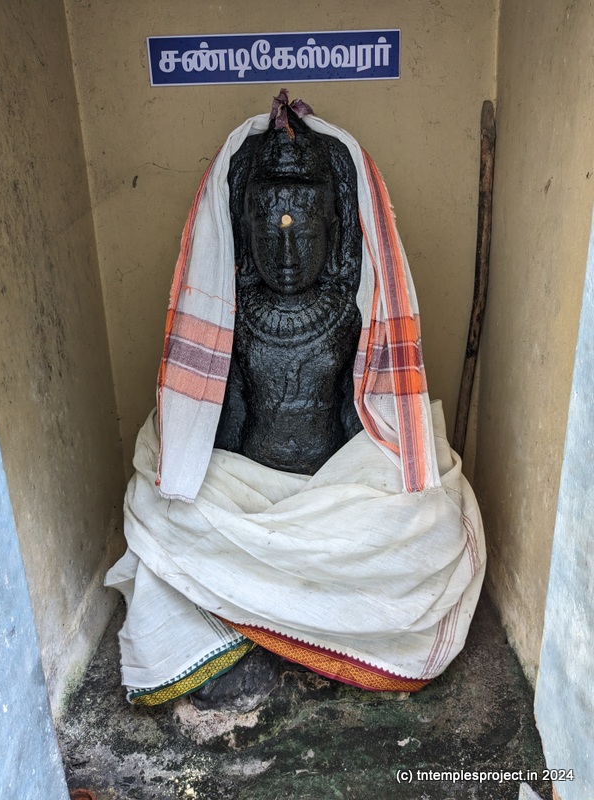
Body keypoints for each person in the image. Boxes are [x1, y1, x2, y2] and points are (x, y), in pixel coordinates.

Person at [106, 91, 486, 711]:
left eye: (303, 235)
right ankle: (253, 605)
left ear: (334, 233)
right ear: (243, 234)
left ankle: (308, 614)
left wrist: (361, 497)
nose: (285, 257)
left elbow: (361, 419)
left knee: (430, 523)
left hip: (328, 482)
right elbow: (223, 421)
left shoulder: (347, 316)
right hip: (250, 480)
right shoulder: (234, 322)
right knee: (166, 509)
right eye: (268, 236)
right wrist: (216, 499)